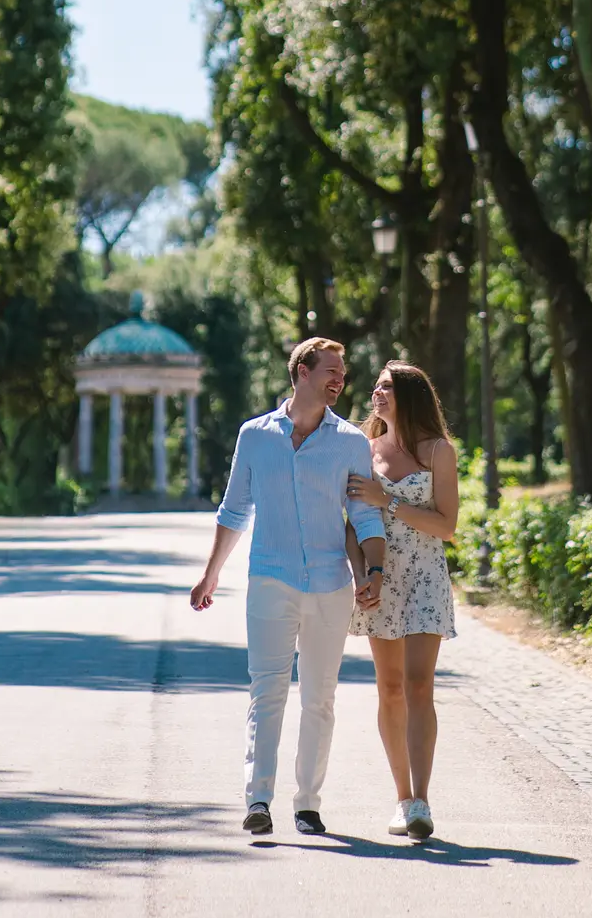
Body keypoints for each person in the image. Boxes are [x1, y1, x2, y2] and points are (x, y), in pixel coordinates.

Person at [190, 336, 386, 839]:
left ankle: (308, 803)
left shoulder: (350, 442)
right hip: (270, 581)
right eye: (331, 370)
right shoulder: (254, 436)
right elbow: (235, 510)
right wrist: (211, 573)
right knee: (266, 692)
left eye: (343, 372)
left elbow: (363, 515)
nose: (340, 379)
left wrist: (374, 572)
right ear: (302, 371)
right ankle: (258, 799)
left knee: (319, 698)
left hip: (329, 586)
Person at [346, 359, 458, 844]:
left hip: (426, 579)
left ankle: (422, 801)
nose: (377, 394)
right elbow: (348, 523)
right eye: (376, 387)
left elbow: (446, 526)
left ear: (410, 395)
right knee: (388, 688)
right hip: (380, 579)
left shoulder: (438, 451)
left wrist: (386, 500)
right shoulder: (362, 451)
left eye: (388, 387)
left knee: (418, 686)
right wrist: (361, 575)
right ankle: (400, 795)